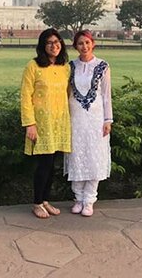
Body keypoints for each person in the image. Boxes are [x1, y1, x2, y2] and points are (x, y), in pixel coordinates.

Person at [20, 28, 71, 219]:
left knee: (52, 165)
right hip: (41, 123)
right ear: (42, 46)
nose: (54, 46)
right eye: (49, 43)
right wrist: (30, 124)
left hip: (59, 122)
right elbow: (25, 96)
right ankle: (37, 203)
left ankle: (46, 200)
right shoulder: (33, 66)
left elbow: (68, 94)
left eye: (57, 42)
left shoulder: (65, 67)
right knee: (44, 164)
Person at [64, 30, 113, 217]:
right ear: (75, 46)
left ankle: (89, 199)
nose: (84, 47)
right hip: (76, 117)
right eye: (80, 43)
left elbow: (106, 95)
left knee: (94, 156)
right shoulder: (70, 67)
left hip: (95, 118)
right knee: (77, 155)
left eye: (87, 42)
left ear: (93, 44)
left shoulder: (102, 66)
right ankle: (78, 198)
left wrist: (108, 120)